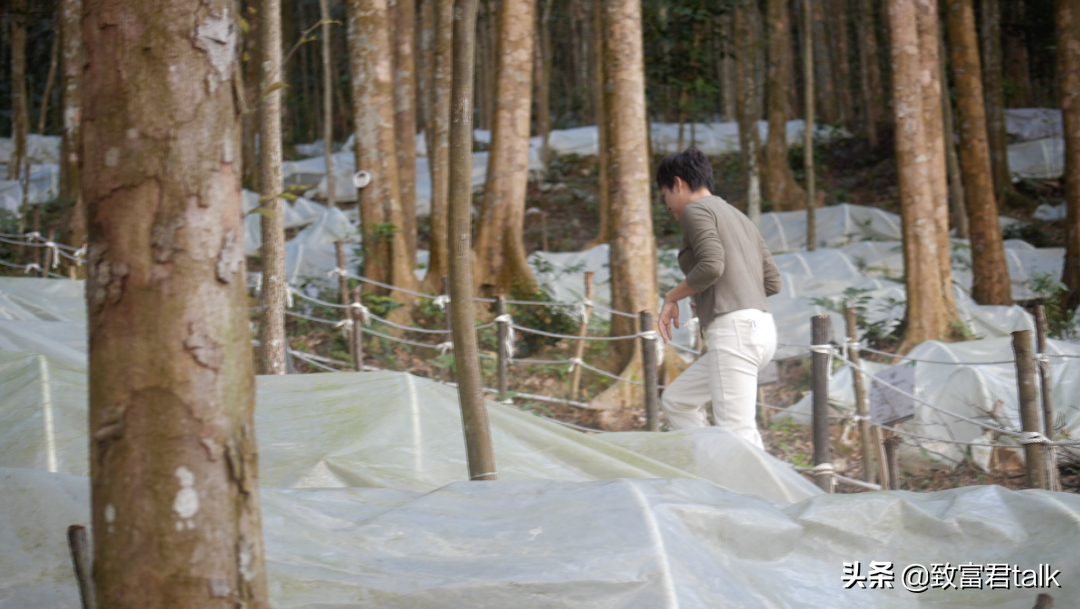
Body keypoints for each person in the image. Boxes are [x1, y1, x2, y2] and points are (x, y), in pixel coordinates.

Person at [656, 148, 781, 449]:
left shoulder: (695, 211)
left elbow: (712, 265)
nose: (667, 204)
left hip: (735, 332)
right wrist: (713, 292)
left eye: (665, 195)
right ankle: (712, 470)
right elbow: (772, 281)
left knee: (738, 434)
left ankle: (767, 495)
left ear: (678, 183)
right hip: (761, 329)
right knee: (678, 400)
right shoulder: (738, 217)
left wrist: (672, 296)